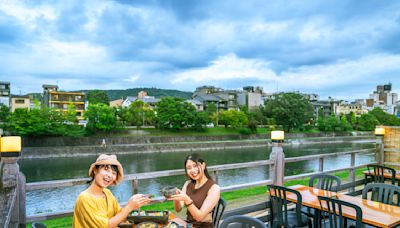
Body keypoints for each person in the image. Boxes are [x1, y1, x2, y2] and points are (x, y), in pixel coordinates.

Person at [73, 154, 151, 228]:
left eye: (114, 173)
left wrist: (134, 202)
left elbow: (119, 214)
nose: (110, 175)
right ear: (95, 170)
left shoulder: (107, 193)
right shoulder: (84, 198)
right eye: (106, 170)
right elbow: (107, 226)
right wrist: (129, 207)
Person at [170, 153, 221, 228]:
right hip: (189, 225)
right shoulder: (188, 184)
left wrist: (187, 200)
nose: (193, 170)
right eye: (189, 168)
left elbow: (199, 217)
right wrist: (176, 198)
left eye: (195, 166)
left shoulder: (214, 188)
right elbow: (178, 209)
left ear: (203, 165)